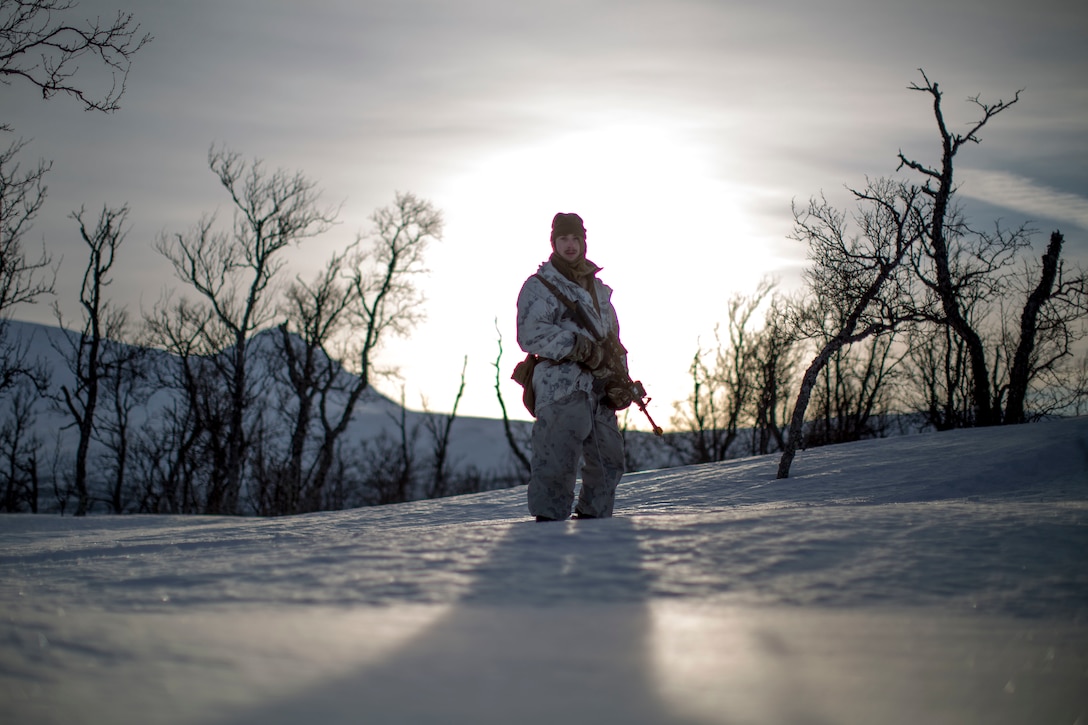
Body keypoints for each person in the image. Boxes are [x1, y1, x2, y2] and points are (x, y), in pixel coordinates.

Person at [516, 212, 631, 521]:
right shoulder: (540, 286)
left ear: (583, 242)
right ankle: (548, 529)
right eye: (563, 239)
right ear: (553, 243)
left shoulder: (600, 291)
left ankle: (597, 524)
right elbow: (530, 334)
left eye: (575, 239)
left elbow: (612, 340)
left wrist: (622, 378)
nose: (569, 245)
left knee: (610, 462)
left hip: (600, 388)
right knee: (555, 460)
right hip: (560, 386)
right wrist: (577, 347)